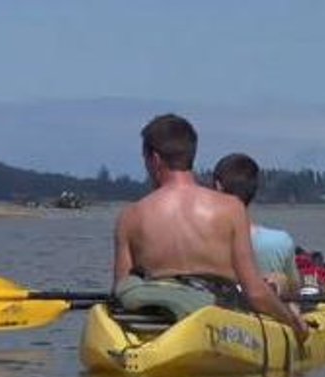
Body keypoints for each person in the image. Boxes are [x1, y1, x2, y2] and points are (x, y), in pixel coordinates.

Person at [113, 114, 308, 341]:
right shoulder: (231, 209)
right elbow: (255, 292)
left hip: (155, 323)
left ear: (154, 159)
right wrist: (291, 322)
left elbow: (121, 289)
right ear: (190, 154)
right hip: (216, 319)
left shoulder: (129, 217)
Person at [212, 153, 301, 301]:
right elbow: (295, 290)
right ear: (254, 190)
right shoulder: (280, 241)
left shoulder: (198, 241)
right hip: (264, 318)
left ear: (218, 186)